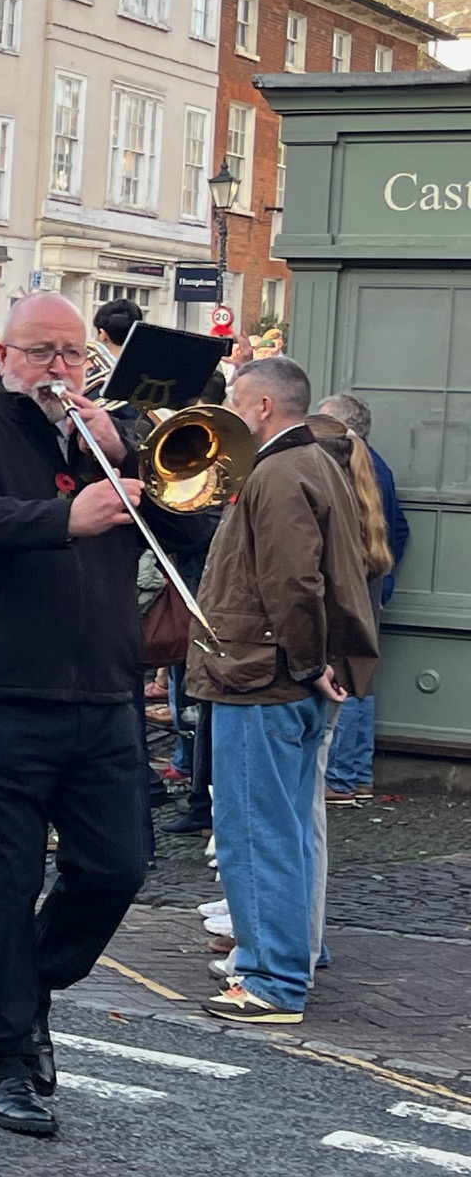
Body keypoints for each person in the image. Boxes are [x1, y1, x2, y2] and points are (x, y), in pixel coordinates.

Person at [0, 291, 206, 1137]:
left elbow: (198, 538)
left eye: (73, 354)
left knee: (118, 866)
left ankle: (28, 985)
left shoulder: (112, 441)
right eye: (41, 352)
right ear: (5, 356)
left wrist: (130, 459)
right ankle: (4, 1058)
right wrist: (62, 518)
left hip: (103, 694)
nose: (59, 369)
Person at [190, 358, 378, 1026]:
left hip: (259, 678)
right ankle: (289, 955)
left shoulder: (276, 471)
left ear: (263, 406)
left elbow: (293, 583)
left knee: (254, 831)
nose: (231, 415)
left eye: (238, 401)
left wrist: (305, 661)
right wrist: (316, 661)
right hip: (285, 676)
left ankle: (271, 978)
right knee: (289, 829)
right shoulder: (318, 461)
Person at [317, 393, 407, 805]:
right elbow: (399, 528)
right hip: (370, 583)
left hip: (352, 585)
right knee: (360, 680)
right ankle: (355, 775)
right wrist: (381, 574)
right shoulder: (378, 465)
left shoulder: (350, 466)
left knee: (347, 677)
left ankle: (341, 778)